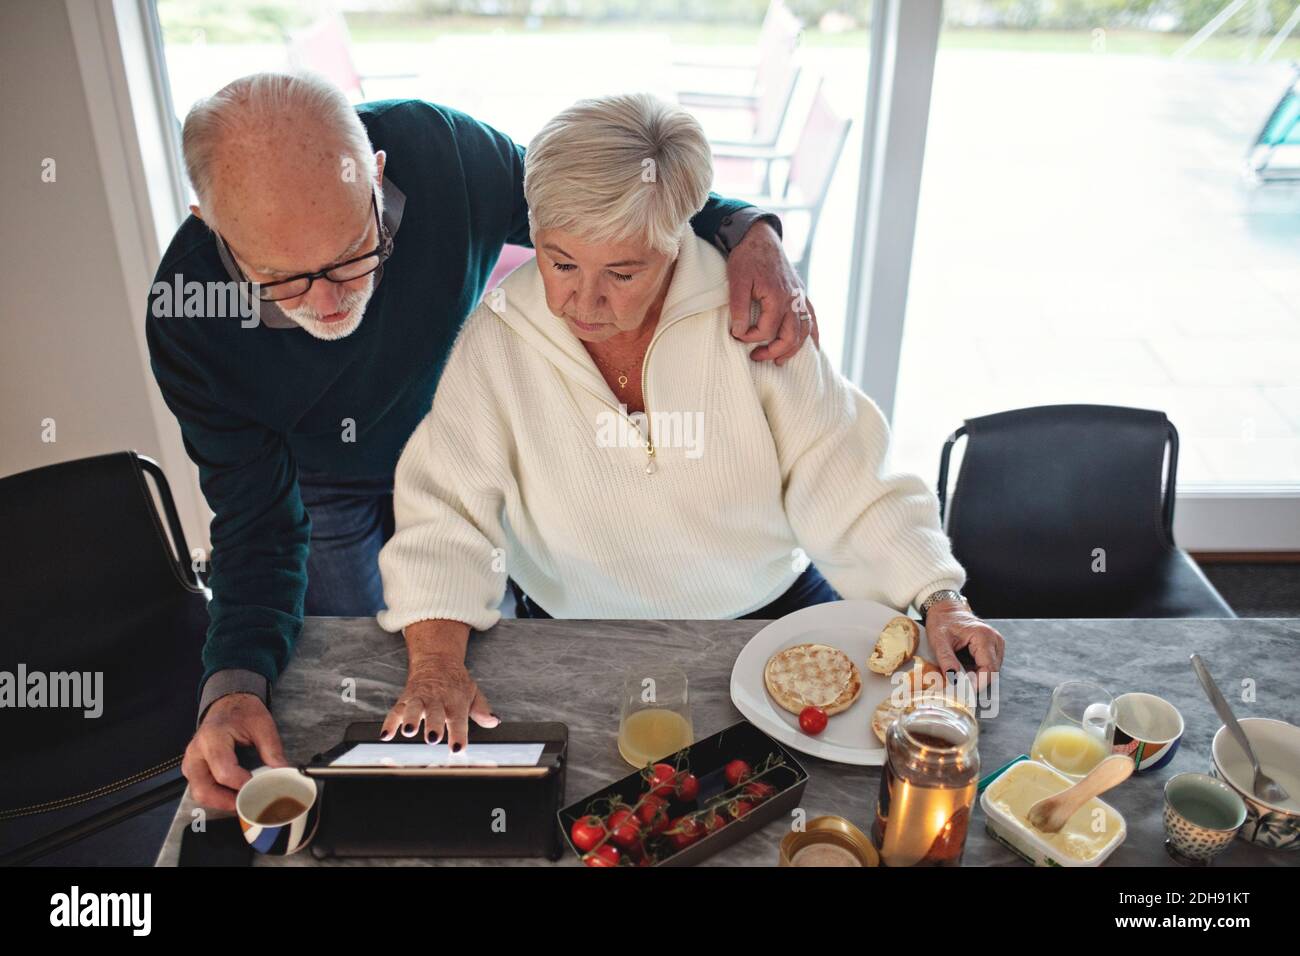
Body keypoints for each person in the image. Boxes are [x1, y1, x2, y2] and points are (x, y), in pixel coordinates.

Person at [147, 73, 816, 811]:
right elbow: (255, 530)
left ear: (375, 174)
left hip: (457, 435)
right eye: (283, 281)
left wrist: (750, 230)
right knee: (360, 683)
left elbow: (604, 206)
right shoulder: (188, 319)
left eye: (351, 254)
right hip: (322, 482)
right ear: (209, 224)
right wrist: (230, 689)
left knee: (479, 658)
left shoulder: (443, 155)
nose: (332, 301)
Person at [376, 93, 1005, 747]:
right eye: (560, 261)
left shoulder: (753, 318)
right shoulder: (498, 337)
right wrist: (437, 662)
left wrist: (939, 598)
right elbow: (448, 513)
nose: (580, 301)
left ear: (677, 237)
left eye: (622, 271)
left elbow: (845, 473)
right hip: (578, 635)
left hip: (769, 622)